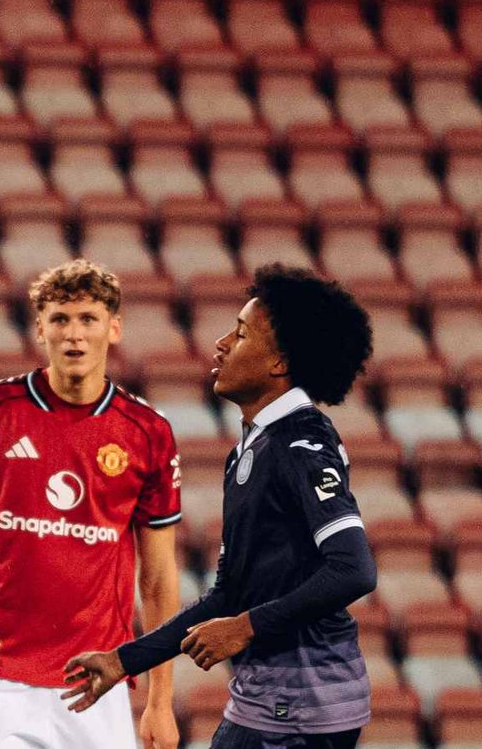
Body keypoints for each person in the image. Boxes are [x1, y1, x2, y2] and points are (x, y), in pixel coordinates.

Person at [64, 264, 378, 749]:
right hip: (267, 698)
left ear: (279, 363)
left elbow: (354, 569)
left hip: (301, 703)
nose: (222, 344)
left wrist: (245, 627)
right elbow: (230, 594)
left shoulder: (301, 440)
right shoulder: (252, 449)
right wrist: (123, 661)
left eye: (241, 333)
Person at [0, 260, 183, 749]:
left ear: (113, 328)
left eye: (88, 319)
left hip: (96, 680)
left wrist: (160, 700)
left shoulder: (148, 432)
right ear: (40, 329)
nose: (73, 334)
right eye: (60, 319)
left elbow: (160, 577)